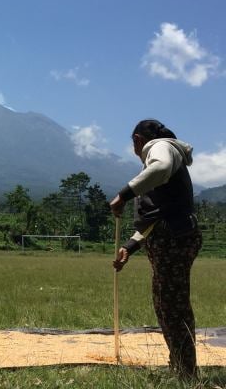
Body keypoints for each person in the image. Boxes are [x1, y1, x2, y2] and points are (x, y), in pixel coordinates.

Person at [110, 119, 202, 380]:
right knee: (164, 305)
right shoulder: (164, 158)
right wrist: (130, 246)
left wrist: (124, 194)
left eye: (133, 144)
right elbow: (157, 217)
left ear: (137, 140)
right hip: (170, 238)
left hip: (175, 240)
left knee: (173, 306)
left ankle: (187, 372)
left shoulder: (160, 148)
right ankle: (180, 364)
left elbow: (159, 168)